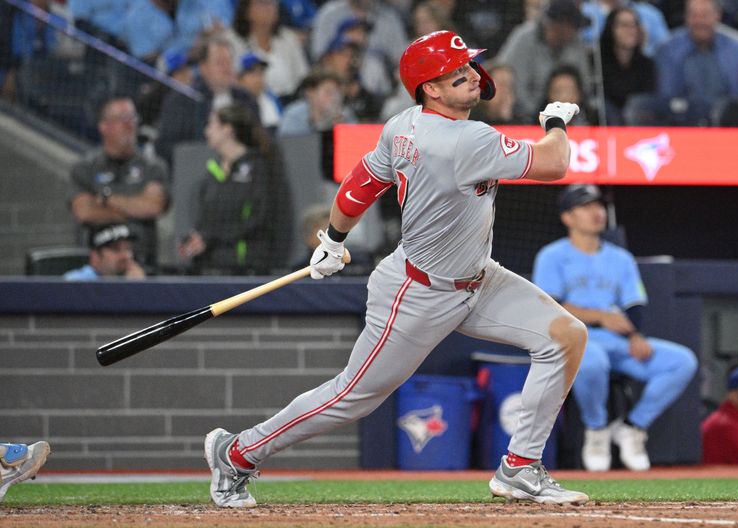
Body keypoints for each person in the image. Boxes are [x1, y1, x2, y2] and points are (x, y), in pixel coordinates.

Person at [203, 29, 589, 508]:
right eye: (457, 72)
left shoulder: (403, 124)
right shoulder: (464, 139)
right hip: (418, 292)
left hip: (476, 279)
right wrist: (555, 121)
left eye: (469, 66)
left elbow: (361, 183)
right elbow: (554, 163)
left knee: (565, 337)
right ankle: (238, 453)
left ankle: (520, 467)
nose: (472, 75)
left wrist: (333, 237)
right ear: (431, 87)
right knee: (351, 397)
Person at [533, 184, 698, 472]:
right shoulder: (552, 255)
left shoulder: (620, 258)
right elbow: (550, 306)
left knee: (682, 361)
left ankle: (633, 427)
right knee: (592, 359)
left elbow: (634, 306)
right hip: (575, 341)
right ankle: (596, 430)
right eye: (585, 207)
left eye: (598, 206)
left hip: (617, 342)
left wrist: (636, 336)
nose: (596, 212)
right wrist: (599, 316)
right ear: (568, 217)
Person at [178, 103, 292, 276]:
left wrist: (211, 237)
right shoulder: (212, 171)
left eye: (211, 125)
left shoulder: (259, 168)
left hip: (246, 269)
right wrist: (196, 240)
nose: (206, 131)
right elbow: (208, 220)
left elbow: (258, 219)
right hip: (211, 267)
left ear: (228, 130)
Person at [68, 95, 170, 271]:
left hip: (143, 266)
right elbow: (84, 212)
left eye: (132, 118)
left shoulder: (153, 165)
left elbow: (152, 207)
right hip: (95, 269)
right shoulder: (84, 167)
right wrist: (134, 209)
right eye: (122, 119)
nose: (130, 125)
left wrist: (106, 199)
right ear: (103, 126)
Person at [155, 36, 260, 166]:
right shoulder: (183, 101)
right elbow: (165, 147)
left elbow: (258, 139)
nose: (227, 68)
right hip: (199, 171)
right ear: (203, 68)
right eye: (220, 63)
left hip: (244, 169)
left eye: (229, 62)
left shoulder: (245, 99)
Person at [652, 0, 738, 126]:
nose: (699, 22)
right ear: (686, 17)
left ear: (718, 15)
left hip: (727, 128)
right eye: (694, 15)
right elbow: (666, 97)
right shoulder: (668, 49)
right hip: (682, 126)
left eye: (705, 15)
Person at [496, 0, 592, 118]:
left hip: (568, 116)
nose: (575, 32)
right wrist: (536, 116)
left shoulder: (575, 42)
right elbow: (512, 82)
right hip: (523, 115)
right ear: (557, 25)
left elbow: (584, 84)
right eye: (572, 26)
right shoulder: (524, 38)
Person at [230, 0, 310, 101]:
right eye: (262, 3)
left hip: (291, 101)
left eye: (272, 3)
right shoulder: (232, 41)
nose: (269, 8)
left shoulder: (289, 38)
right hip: (250, 102)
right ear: (246, 9)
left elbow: (303, 77)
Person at [598, 6, 656, 125]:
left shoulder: (647, 65)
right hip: (607, 124)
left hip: (639, 126)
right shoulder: (598, 63)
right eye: (624, 25)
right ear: (611, 29)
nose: (631, 30)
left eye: (634, 25)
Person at [64, 224, 146, 280]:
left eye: (128, 249)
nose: (126, 256)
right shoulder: (75, 283)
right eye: (116, 249)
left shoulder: (138, 280)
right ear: (95, 257)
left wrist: (138, 288)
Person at [237, 52, 283, 131]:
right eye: (253, 74)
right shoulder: (234, 101)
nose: (258, 79)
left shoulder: (272, 98)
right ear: (240, 79)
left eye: (261, 73)